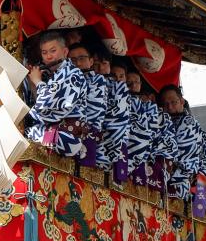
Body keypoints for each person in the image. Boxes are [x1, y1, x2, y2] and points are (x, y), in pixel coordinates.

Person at [26, 30, 88, 158]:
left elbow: (47, 106)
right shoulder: (53, 75)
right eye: (44, 52)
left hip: (65, 136)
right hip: (52, 132)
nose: (48, 57)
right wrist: (32, 84)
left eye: (53, 51)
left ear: (65, 52)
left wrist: (37, 82)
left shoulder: (73, 74)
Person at [158, 85, 206, 205]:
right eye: (165, 104)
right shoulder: (167, 121)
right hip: (195, 186)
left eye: (173, 102)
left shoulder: (189, 123)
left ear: (182, 101)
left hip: (188, 183)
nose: (170, 107)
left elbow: (185, 159)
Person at [68, 43, 106, 167]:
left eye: (82, 58)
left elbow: (94, 114)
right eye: (73, 60)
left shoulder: (98, 81)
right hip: (68, 132)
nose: (78, 64)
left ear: (90, 61)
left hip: (88, 134)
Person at [94, 53, 130, 178]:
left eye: (122, 76)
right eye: (115, 76)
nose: (118, 79)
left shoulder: (126, 97)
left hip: (117, 146)